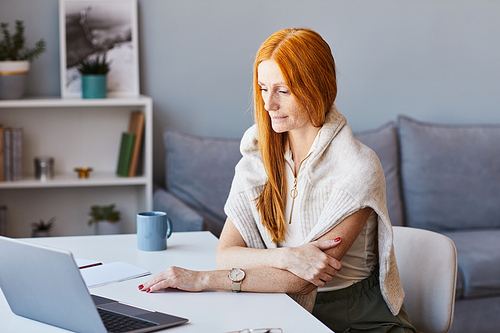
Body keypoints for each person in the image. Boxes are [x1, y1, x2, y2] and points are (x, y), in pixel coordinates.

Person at [139, 27, 416, 332]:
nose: (268, 104)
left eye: (282, 91)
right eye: (262, 88)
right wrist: (287, 257)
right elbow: (226, 254)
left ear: (317, 88)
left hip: (358, 320)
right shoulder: (257, 158)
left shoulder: (358, 168)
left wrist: (201, 279)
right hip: (280, 306)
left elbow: (305, 279)